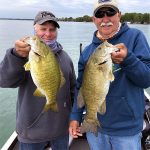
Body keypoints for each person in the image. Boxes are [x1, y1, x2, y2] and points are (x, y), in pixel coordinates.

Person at [69, 0, 150, 150]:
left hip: (127, 129)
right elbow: (81, 87)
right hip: (97, 129)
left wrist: (128, 60)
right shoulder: (87, 52)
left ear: (119, 15)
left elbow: (146, 79)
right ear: (94, 20)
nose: (105, 19)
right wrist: (75, 115)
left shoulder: (135, 37)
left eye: (110, 12)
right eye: (100, 14)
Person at [0, 11, 76, 150]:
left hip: (61, 130)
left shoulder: (66, 58)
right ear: (35, 28)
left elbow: (73, 90)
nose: (47, 33)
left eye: (52, 29)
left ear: (56, 31)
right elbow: (4, 81)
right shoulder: (23, 54)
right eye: (43, 28)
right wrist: (16, 56)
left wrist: (74, 117)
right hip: (31, 132)